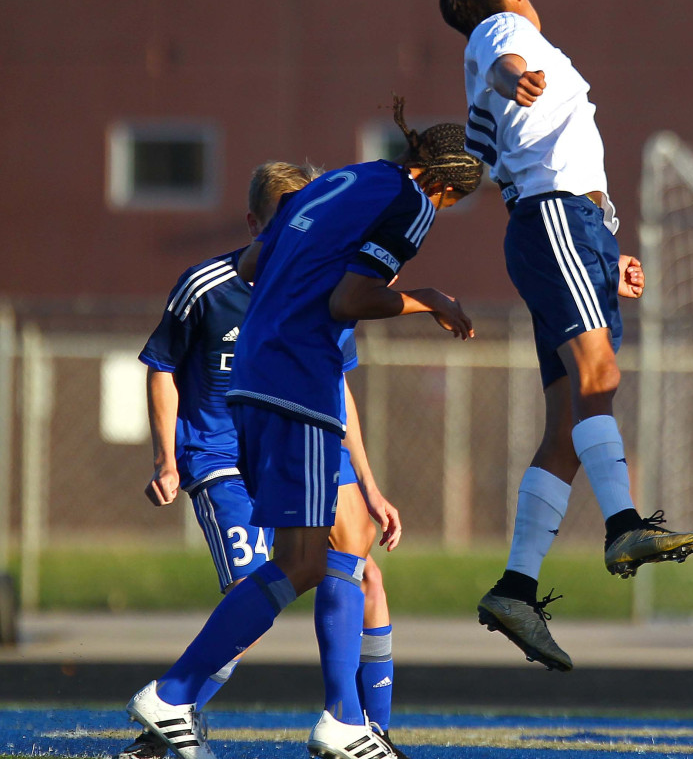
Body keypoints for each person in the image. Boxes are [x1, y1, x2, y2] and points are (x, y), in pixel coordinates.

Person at [124, 101, 483, 759]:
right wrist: (427, 299)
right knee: (300, 562)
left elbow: (256, 263)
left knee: (340, 550)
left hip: (259, 379)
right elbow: (350, 301)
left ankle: (344, 721)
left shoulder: (346, 178)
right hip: (299, 379)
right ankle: (175, 694)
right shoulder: (414, 205)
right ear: (448, 189)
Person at [439, 0, 693, 673]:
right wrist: (512, 76)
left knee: (566, 422)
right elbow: (506, 60)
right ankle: (622, 526)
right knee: (601, 375)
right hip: (557, 218)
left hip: (563, 229)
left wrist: (600, 249)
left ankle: (515, 589)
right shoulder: (504, 28)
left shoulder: (493, 62)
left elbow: (497, 153)